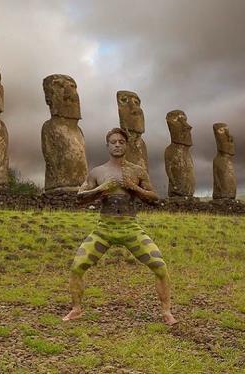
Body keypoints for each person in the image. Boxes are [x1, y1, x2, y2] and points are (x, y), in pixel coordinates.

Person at [62, 127, 177, 325]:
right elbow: (79, 199)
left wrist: (134, 187)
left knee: (160, 266)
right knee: (77, 266)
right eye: (113, 142)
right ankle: (76, 309)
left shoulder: (137, 171)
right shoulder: (98, 172)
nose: (117, 144)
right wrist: (100, 190)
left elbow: (154, 198)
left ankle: (166, 311)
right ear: (107, 146)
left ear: (126, 145)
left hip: (130, 227)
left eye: (121, 142)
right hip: (104, 228)